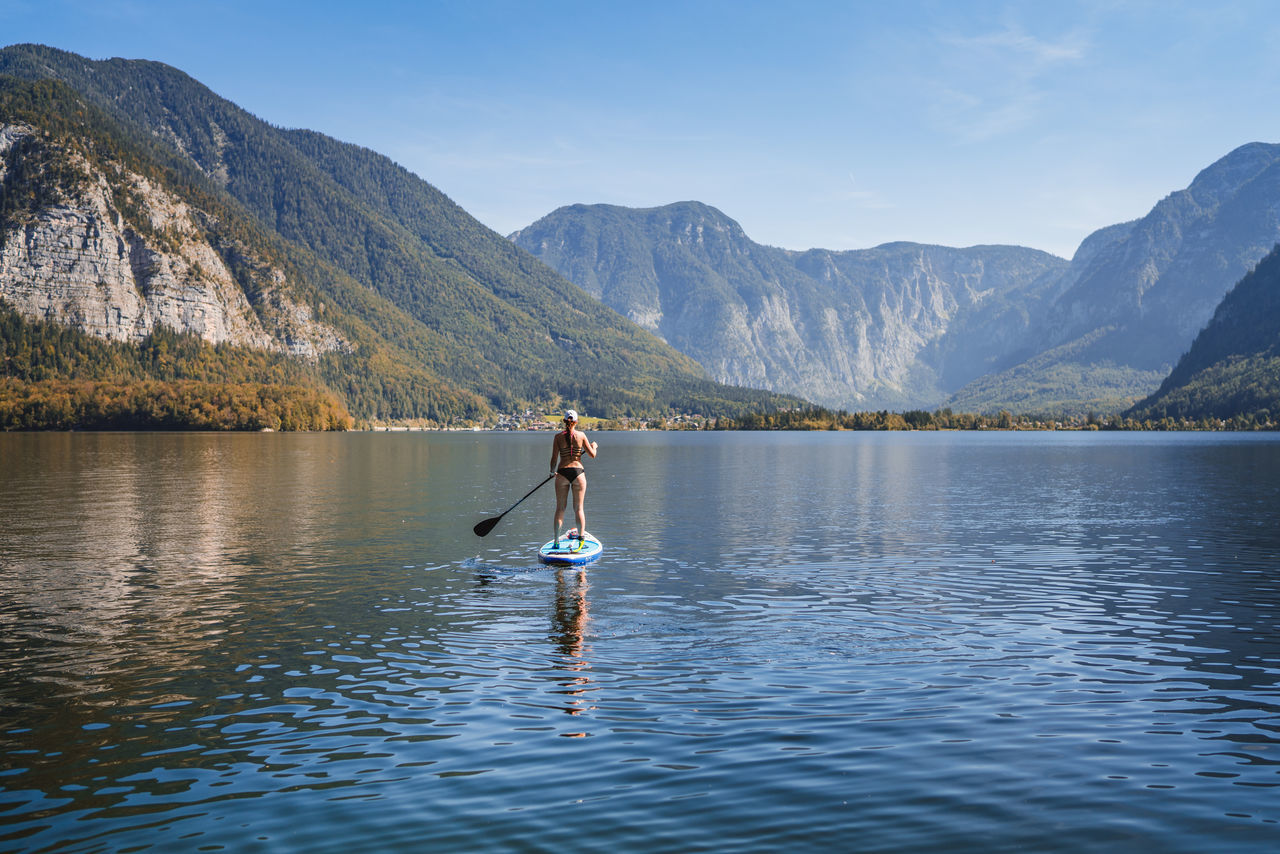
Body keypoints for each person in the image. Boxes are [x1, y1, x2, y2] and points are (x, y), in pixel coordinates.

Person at [550, 409, 598, 547]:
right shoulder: (581, 435)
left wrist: (551, 471)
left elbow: (554, 459)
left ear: (564, 421)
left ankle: (556, 541)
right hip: (578, 473)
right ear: (576, 421)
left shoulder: (557, 437)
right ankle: (581, 539)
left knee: (560, 508)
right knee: (579, 509)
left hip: (562, 473)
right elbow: (592, 454)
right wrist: (595, 446)